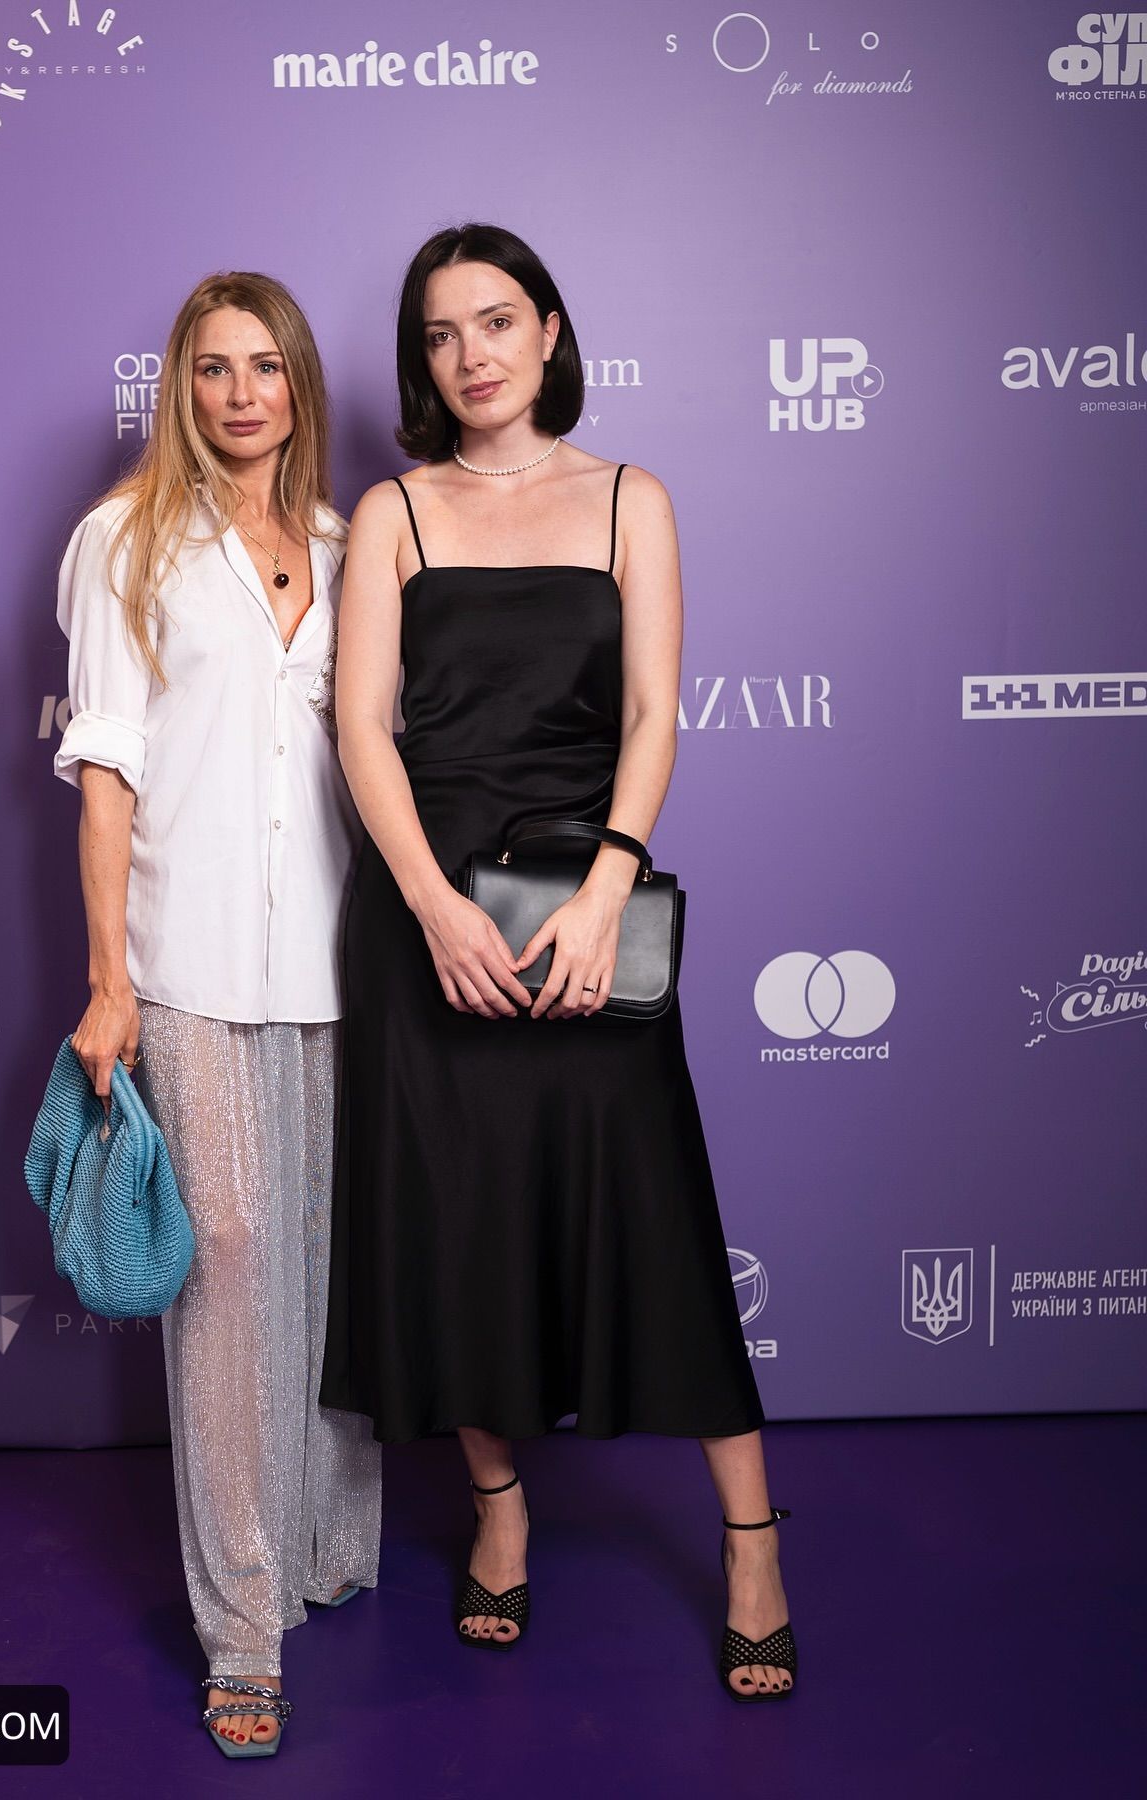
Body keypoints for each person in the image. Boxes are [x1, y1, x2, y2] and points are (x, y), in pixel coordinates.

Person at [320, 224, 797, 1701]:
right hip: (429, 916)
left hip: (586, 905)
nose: (471, 354)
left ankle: (754, 1545)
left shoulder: (631, 498)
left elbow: (653, 712)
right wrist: (429, 907)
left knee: (657, 1212)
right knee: (455, 1219)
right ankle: (501, 1513)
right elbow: (362, 727)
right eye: (441, 333)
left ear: (547, 332)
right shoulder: (393, 511)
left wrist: (605, 890)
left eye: (496, 320)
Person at [54, 272, 381, 1757]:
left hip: (341, 966)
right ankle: (243, 1628)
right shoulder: (124, 540)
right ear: (177, 389)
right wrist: (108, 980)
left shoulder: (351, 544)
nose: (241, 395)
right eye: (210, 369)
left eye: (265, 366)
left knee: (323, 1265)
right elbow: (106, 775)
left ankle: (327, 1545)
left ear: (300, 383)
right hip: (188, 965)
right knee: (231, 1273)